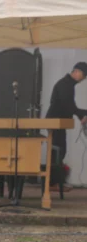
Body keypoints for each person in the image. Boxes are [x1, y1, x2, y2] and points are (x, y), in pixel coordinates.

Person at [45, 61, 87, 192]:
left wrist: (83, 114)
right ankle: (51, 183)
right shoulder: (65, 84)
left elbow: (70, 106)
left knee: (60, 151)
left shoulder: (68, 84)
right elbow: (68, 105)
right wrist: (82, 115)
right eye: (84, 75)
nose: (84, 79)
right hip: (55, 122)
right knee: (57, 151)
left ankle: (55, 182)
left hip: (59, 122)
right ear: (77, 71)